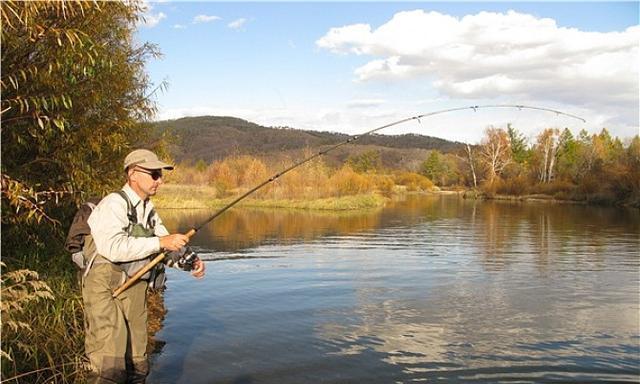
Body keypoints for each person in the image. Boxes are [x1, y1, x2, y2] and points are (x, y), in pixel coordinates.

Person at [82, 149, 205, 383]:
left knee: (138, 362)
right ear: (133, 174)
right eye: (154, 174)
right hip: (104, 288)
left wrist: (190, 263)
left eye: (160, 175)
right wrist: (160, 241)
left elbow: (164, 248)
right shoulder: (113, 204)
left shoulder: (148, 210)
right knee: (110, 365)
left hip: (134, 285)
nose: (160, 180)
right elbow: (112, 247)